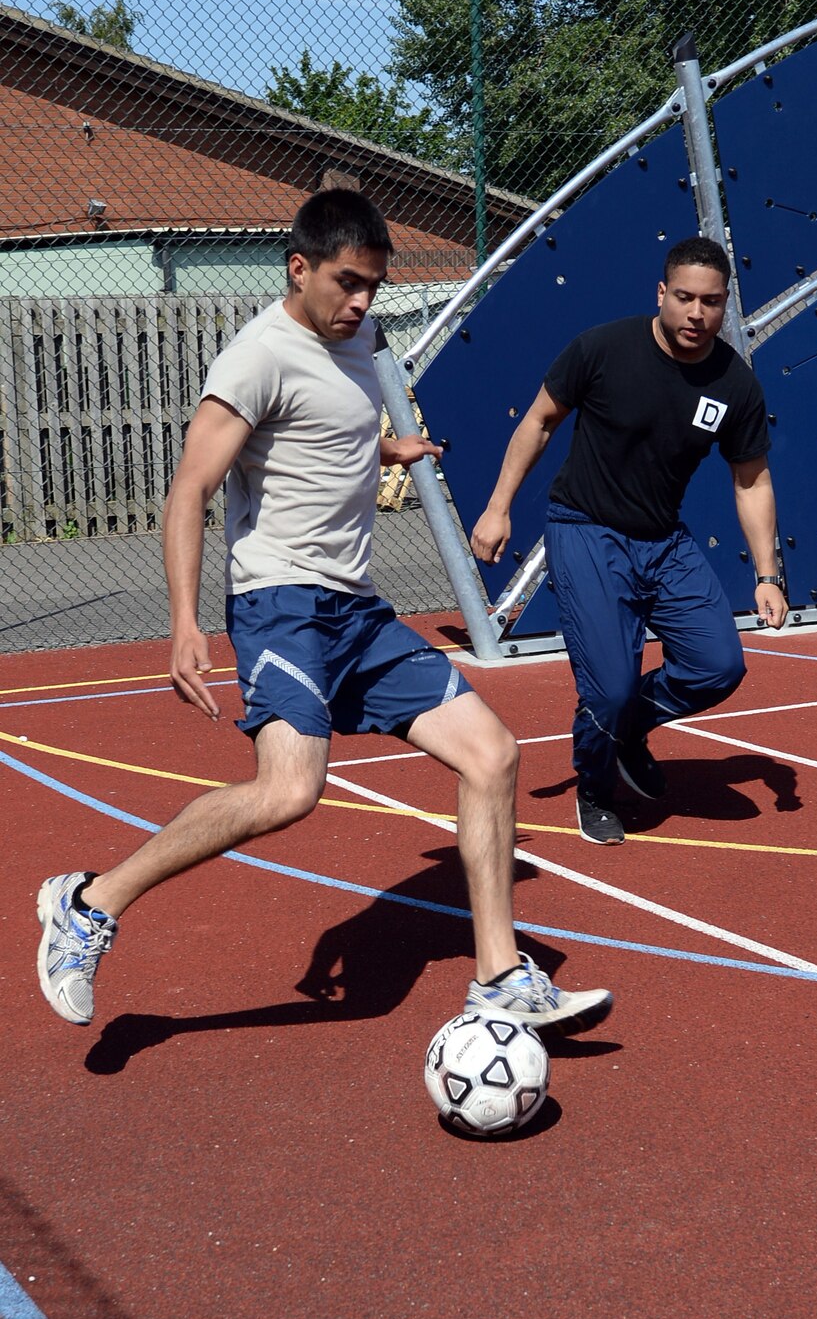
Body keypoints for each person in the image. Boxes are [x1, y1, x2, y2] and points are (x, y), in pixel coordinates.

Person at [37, 187, 612, 1039]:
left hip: (356, 610)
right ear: (297, 268)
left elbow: (320, 430)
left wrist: (387, 447)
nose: (363, 302)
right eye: (348, 283)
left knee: (492, 755)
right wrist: (186, 623)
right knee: (289, 791)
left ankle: (498, 979)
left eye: (374, 285)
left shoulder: (358, 338)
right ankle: (88, 905)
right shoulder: (256, 357)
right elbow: (190, 488)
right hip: (280, 606)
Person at [471, 236, 787, 846]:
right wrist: (498, 507)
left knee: (719, 666)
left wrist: (768, 575)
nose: (697, 314)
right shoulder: (602, 349)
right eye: (686, 298)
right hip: (586, 531)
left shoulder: (734, 384)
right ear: (661, 294)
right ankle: (595, 783)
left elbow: (752, 480)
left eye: (712, 303)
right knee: (608, 686)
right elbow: (538, 421)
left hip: (664, 541)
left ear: (726, 306)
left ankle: (623, 727)